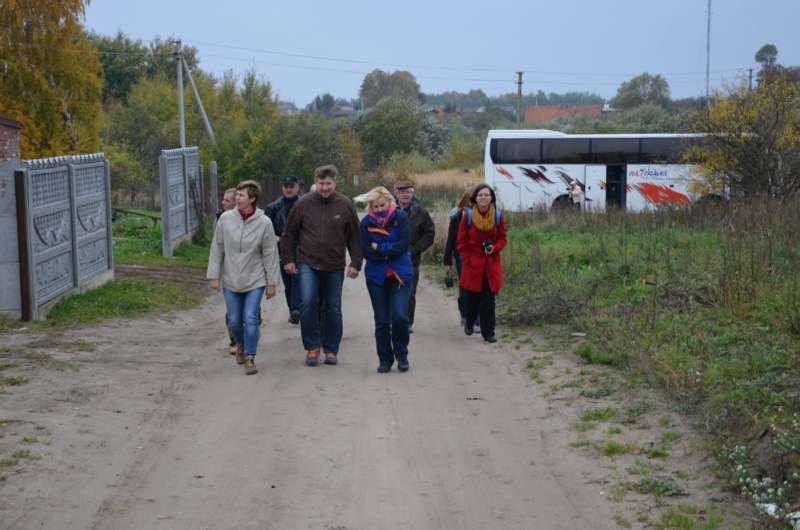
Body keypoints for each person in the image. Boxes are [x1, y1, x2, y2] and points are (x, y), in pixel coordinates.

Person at [280, 164, 363, 367]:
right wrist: (288, 259)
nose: (325, 187)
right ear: (315, 183)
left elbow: (355, 236)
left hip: (334, 265)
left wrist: (356, 263)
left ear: (335, 183)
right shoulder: (303, 204)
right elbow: (288, 234)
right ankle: (313, 346)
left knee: (333, 307)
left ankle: (331, 349)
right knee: (308, 302)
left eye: (328, 183)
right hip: (307, 262)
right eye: (321, 183)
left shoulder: (344, 205)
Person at [207, 180, 281, 375]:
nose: (237, 198)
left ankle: (250, 356)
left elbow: (270, 253)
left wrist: (272, 283)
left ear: (252, 198)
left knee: (250, 317)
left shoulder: (264, 222)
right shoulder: (225, 219)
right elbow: (217, 248)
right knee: (234, 321)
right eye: (237, 195)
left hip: (255, 279)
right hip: (231, 278)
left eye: (241, 195)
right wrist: (214, 275)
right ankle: (240, 342)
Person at [355, 186, 414, 373]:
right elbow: (365, 250)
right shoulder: (366, 223)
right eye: (375, 206)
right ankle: (385, 359)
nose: (379, 209)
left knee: (399, 316)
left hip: (400, 274)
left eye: (382, 205)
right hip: (377, 276)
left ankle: (402, 355)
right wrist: (389, 252)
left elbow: (403, 245)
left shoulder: (400, 218)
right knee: (381, 320)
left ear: (389, 202)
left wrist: (380, 248)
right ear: (370, 207)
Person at [456, 183, 507, 344]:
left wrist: (494, 248)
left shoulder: (498, 216)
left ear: (491, 198)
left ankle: (488, 332)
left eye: (486, 195)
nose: (483, 198)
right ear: (475, 198)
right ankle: (470, 321)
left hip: (490, 265)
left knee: (488, 300)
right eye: (480, 195)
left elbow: (502, 238)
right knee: (472, 299)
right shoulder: (467, 217)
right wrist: (468, 258)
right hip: (472, 265)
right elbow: (461, 242)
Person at [393, 180, 435, 333]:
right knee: (392, 291)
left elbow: (429, 233)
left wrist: (416, 249)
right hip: (391, 260)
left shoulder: (420, 212)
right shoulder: (389, 211)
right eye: (401, 192)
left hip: (411, 260)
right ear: (396, 194)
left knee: (410, 292)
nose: (405, 195)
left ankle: (407, 322)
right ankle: (393, 320)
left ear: (412, 193)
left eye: (408, 192)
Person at [265, 175, 302, 325]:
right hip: (282, 250)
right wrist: (272, 236)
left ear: (297, 188)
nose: (289, 189)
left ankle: (297, 310)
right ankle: (293, 310)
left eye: (291, 186)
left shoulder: (305, 204)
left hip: (301, 249)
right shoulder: (273, 207)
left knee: (297, 280)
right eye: (286, 186)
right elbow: (264, 228)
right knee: (288, 281)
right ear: (282, 188)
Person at [443, 185, 476, 327]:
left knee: (478, 287)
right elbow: (451, 238)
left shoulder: (486, 214)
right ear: (467, 198)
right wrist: (447, 260)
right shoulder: (457, 215)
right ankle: (465, 314)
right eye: (473, 197)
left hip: (479, 255)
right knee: (465, 287)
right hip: (461, 255)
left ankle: (475, 318)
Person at [215, 188, 237, 356]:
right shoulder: (220, 219)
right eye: (223, 199)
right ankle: (234, 341)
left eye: (227, 201)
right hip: (229, 272)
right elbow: (217, 247)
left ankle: (254, 322)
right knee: (232, 310)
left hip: (249, 274)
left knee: (250, 312)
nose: (223, 203)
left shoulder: (252, 219)